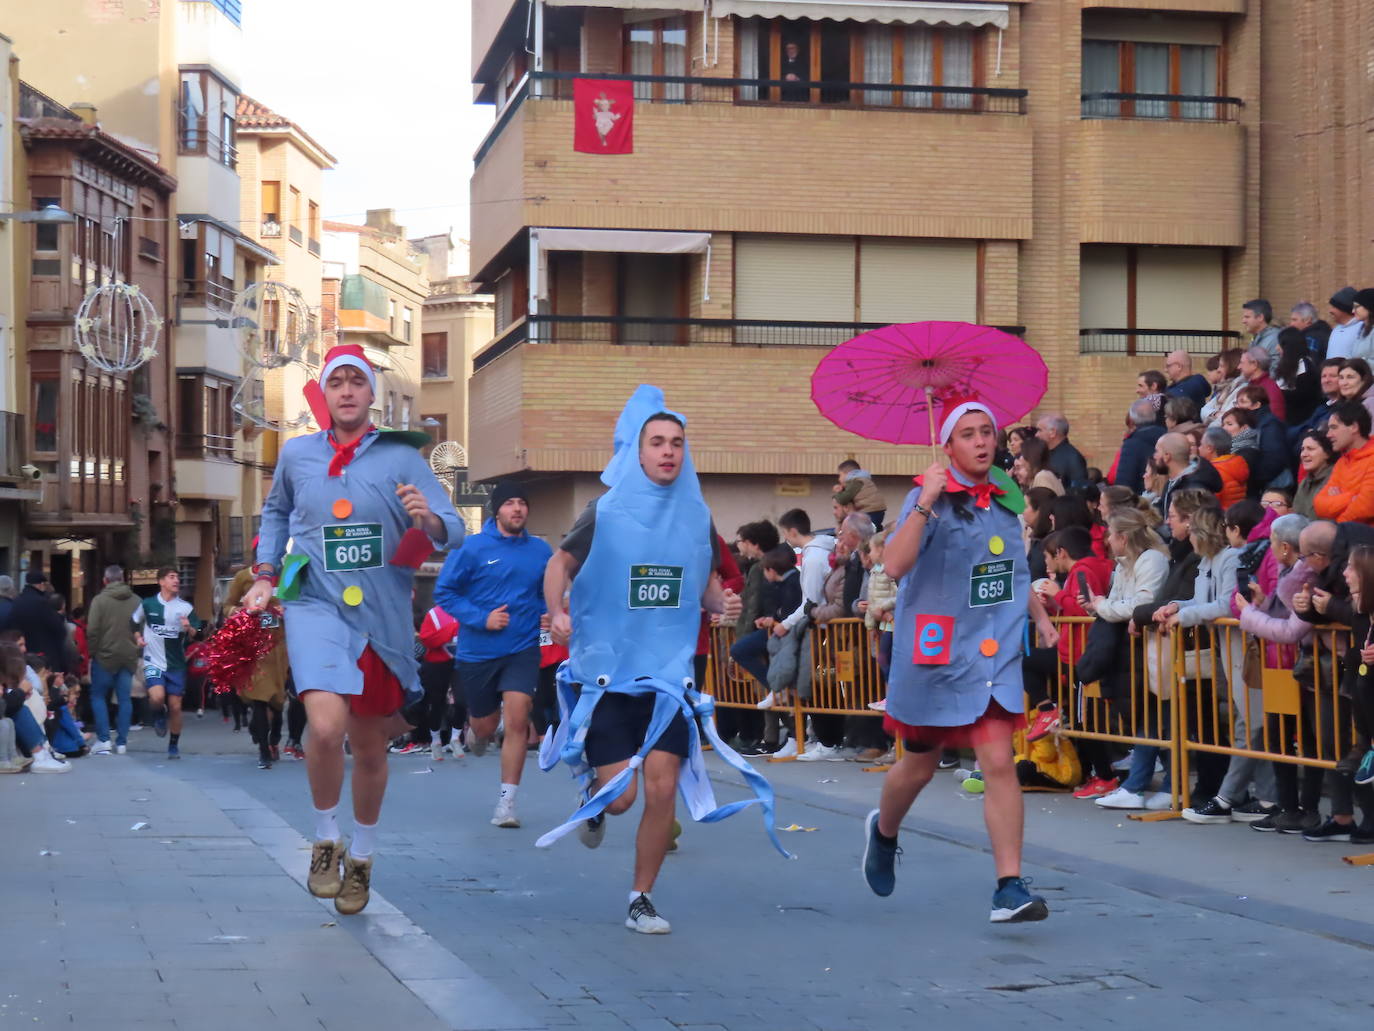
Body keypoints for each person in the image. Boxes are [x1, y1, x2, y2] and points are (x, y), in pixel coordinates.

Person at [539, 386, 778, 936]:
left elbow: (707, 589)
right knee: (621, 797)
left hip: (669, 677)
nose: (668, 451)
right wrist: (556, 609)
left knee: (664, 786)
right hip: (608, 675)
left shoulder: (697, 516)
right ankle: (595, 799)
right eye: (657, 443)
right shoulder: (607, 509)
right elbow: (560, 564)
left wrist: (725, 603)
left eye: (676, 443)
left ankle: (641, 898)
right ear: (639, 452)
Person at [242, 343, 465, 916]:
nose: (346, 391)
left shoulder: (401, 459)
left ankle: (362, 856)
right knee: (324, 725)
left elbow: (454, 527)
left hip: (382, 616)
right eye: (336, 382)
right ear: (325, 394)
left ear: (371, 395)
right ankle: (324, 839)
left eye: (356, 382)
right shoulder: (296, 455)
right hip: (314, 602)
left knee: (368, 746)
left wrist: (428, 517)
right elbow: (274, 514)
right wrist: (266, 572)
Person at [861, 400, 1059, 923]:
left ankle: (1009, 886)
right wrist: (927, 498)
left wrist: (1038, 615)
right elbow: (897, 565)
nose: (980, 441)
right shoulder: (925, 497)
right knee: (919, 766)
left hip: (992, 653)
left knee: (998, 763)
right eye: (967, 434)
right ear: (947, 447)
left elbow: (1009, 572)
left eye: (987, 432)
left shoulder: (1004, 502)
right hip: (935, 652)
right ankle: (883, 832)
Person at [433, 482, 552, 828]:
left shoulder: (540, 550)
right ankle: (477, 731)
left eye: (522, 503)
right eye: (510, 503)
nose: (517, 509)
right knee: (485, 727)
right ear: (496, 510)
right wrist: (481, 619)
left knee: (517, 720)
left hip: (522, 648)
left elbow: (547, 590)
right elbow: (445, 592)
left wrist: (548, 611)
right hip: (478, 651)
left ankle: (507, 803)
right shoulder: (472, 548)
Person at [132, 567, 205, 760]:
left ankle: (173, 744)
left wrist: (189, 628)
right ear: (161, 581)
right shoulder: (147, 604)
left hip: (176, 665)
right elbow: (133, 621)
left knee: (175, 707)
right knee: (156, 697)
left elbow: (200, 634)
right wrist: (138, 637)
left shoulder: (185, 608)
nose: (176, 580)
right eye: (172, 577)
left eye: (178, 577)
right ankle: (157, 715)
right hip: (153, 661)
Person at [224, 565, 288, 769]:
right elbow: (227, 606)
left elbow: (300, 604)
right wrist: (242, 611)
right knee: (260, 698)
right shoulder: (243, 577)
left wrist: (286, 611)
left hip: (279, 647)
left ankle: (273, 739)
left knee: (276, 702)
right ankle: (263, 751)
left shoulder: (288, 574)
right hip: (254, 647)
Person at [85, 565, 141, 756]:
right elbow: (143, 628)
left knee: (98, 696)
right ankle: (122, 742)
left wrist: (93, 653)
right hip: (128, 656)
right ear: (123, 579)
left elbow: (92, 630)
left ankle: (103, 740)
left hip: (104, 656)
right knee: (125, 699)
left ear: (105, 580)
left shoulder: (99, 601)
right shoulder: (136, 601)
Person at [1312, 402, 1374, 523]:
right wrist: (1351, 497)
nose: (1328, 435)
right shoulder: (1342, 462)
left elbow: (1366, 507)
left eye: (1334, 427)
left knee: (1313, 534)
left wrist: (1338, 527)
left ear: (1354, 427)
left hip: (1366, 535)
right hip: (1345, 530)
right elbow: (1319, 504)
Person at [9, 571, 68, 673]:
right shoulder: (42, 603)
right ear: (41, 585)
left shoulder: (16, 602)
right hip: (43, 656)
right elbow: (59, 629)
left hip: (23, 654)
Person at [1110, 399, 1166, 493]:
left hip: (1141, 499)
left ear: (1132, 418)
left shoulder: (1132, 443)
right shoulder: (1168, 436)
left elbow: (1124, 481)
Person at [1274, 327, 1320, 425]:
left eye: (1281, 344)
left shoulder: (1305, 365)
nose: (1277, 348)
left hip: (1299, 422)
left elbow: (1301, 394)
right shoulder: (1285, 366)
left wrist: (1276, 393)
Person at [1036, 413, 1088, 490]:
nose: (1036, 435)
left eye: (1040, 430)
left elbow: (1079, 492)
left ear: (1052, 432)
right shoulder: (1045, 453)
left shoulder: (1072, 458)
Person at [1293, 429, 1337, 519]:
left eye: (1310, 449)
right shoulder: (1304, 482)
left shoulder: (1336, 478)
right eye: (1302, 449)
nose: (1303, 454)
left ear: (1327, 454)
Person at [1200, 426, 1247, 507]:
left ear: (1209, 448)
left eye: (1201, 444)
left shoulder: (1213, 472)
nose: (1199, 448)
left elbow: (1208, 504)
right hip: (1237, 514)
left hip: (1220, 516)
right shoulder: (1237, 464)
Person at [833, 459, 887, 530]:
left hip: (869, 511)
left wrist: (838, 493)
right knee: (875, 527)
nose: (839, 479)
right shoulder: (864, 480)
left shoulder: (855, 482)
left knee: (865, 530)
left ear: (847, 473)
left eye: (840, 475)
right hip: (878, 510)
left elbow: (844, 499)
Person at [1236, 345, 1286, 421]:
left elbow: (1276, 419)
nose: (1238, 367)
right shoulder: (1253, 385)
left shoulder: (1270, 388)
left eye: (1242, 362)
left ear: (1254, 364)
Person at [1200, 348, 1245, 425]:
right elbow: (1203, 410)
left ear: (1232, 367)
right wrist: (1215, 413)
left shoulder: (1241, 389)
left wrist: (1211, 414)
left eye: (1221, 366)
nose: (1218, 370)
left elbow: (1226, 419)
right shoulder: (1224, 388)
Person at [1326, 287, 1363, 361]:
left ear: (1344, 308)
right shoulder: (1336, 330)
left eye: (1334, 307)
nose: (1330, 311)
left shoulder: (1363, 328)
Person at [1336, 357, 1374, 422]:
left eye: (1350, 377)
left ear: (1364, 379)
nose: (1344, 383)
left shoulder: (1371, 403)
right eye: (1341, 378)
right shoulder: (1342, 404)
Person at [1351, 289, 1374, 361]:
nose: (1353, 311)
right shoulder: (1362, 330)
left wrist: (1357, 366)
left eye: (1356, 306)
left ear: (1369, 306)